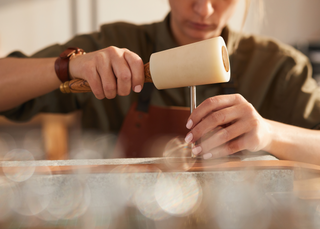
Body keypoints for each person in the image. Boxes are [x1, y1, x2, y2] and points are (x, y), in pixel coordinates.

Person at [0, 0, 320, 164]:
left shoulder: (278, 67)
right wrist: (67, 67)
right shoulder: (114, 43)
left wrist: (270, 133)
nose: (204, 9)